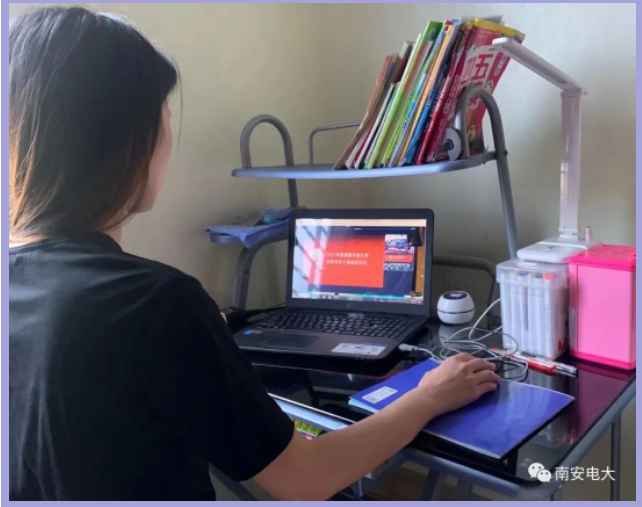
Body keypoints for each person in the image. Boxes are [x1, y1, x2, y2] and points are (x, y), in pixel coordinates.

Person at [8, 6, 500, 501]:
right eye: (164, 119)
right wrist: (429, 396)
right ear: (130, 141)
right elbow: (304, 479)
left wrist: (202, 337)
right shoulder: (157, 304)